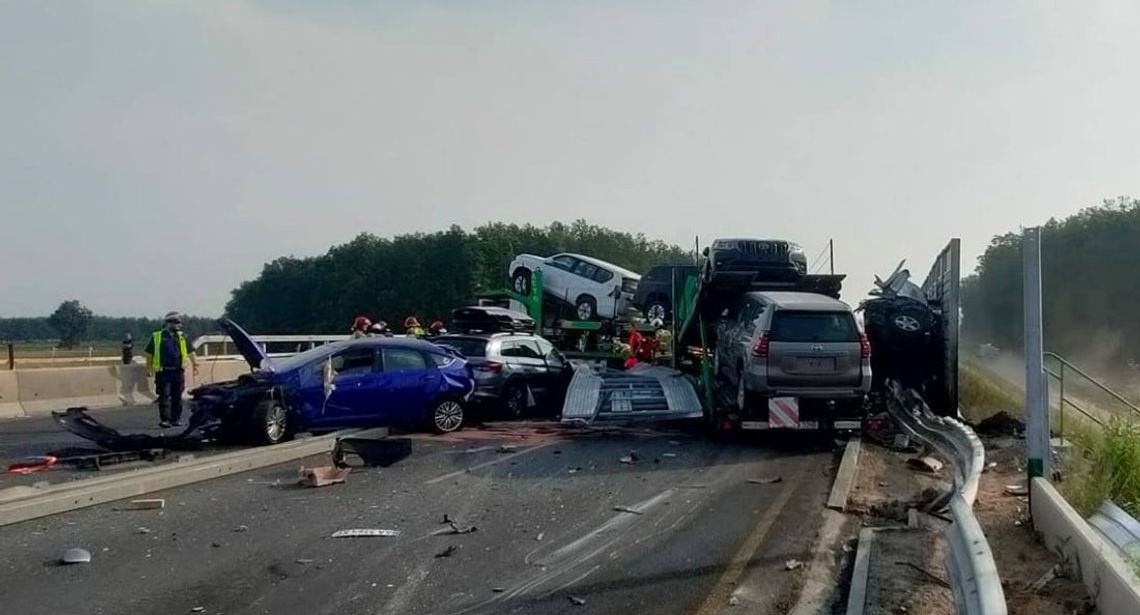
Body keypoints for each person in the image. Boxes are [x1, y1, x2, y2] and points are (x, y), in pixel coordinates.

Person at [144, 312, 198, 428]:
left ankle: (175, 419)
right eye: (176, 323)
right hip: (163, 372)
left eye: (179, 323)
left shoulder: (182, 337)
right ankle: (165, 420)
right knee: (164, 396)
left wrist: (195, 364)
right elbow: (149, 354)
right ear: (168, 323)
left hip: (178, 371)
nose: (178, 325)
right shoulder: (158, 336)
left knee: (177, 396)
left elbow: (190, 351)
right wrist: (149, 368)